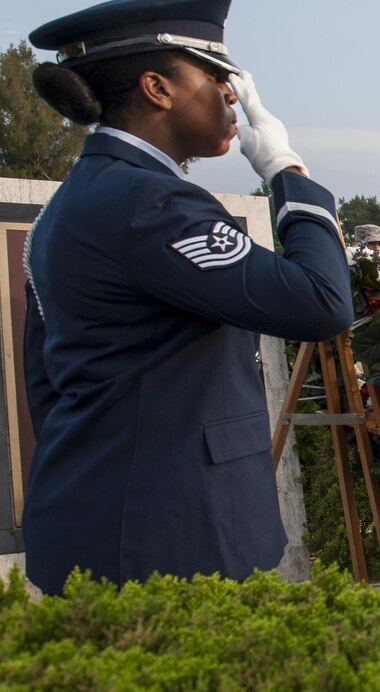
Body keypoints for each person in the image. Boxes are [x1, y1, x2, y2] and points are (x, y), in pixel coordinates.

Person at [21, 0, 354, 596]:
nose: (233, 98)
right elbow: (321, 302)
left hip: (109, 517)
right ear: (157, 88)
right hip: (167, 534)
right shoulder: (148, 203)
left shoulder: (82, 199)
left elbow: (48, 386)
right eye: (217, 77)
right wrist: (286, 168)